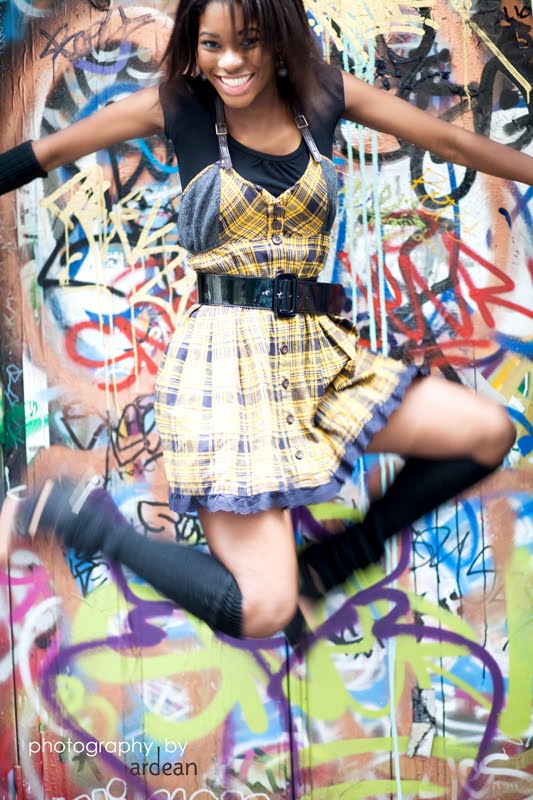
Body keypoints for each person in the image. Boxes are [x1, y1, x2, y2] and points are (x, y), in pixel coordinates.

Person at [0, 0, 519, 644]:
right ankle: (80, 519)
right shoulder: (180, 107)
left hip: (317, 356)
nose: (230, 62)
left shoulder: (323, 94)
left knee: (485, 433)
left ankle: (330, 565)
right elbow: (45, 152)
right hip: (227, 371)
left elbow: (450, 141)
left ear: (278, 38)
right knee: (262, 610)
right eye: (212, 45)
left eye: (247, 42)